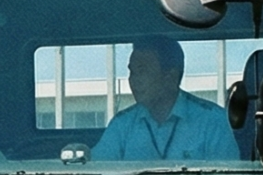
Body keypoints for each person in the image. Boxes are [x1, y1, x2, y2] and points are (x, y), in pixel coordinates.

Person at [90, 36, 239, 162]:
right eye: (132, 72)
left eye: (142, 71)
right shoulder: (121, 125)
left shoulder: (213, 121)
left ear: (170, 76)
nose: (134, 80)